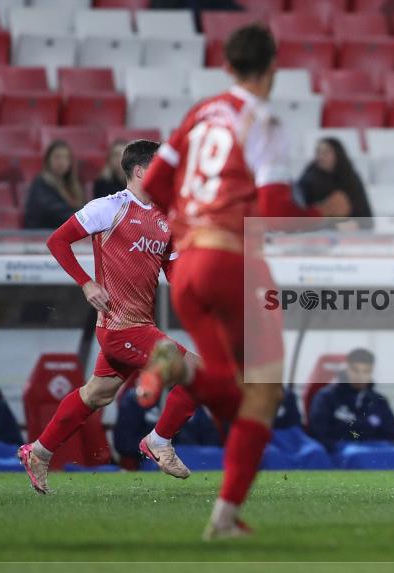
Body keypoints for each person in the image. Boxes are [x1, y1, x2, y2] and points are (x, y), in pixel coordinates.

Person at [136, 24, 350, 540]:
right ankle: (222, 512)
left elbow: (155, 183)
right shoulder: (265, 123)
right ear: (273, 65)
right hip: (233, 263)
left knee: (235, 394)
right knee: (264, 392)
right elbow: (274, 212)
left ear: (227, 66)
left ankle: (224, 520)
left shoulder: (199, 114)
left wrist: (191, 222)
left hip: (187, 265)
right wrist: (325, 214)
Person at [17, 140, 202, 493]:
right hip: (120, 327)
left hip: (139, 325)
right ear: (141, 171)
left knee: (98, 394)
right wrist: (86, 283)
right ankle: (159, 441)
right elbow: (57, 241)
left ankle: (38, 452)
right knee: (197, 373)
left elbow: (173, 270)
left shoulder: (166, 217)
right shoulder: (109, 207)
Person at [308, 349, 394, 453]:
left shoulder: (379, 401)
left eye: (366, 371)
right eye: (355, 370)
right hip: (341, 452)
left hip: (375, 451)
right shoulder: (326, 398)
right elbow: (320, 436)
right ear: (347, 369)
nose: (360, 376)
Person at [114, 386, 221, 469]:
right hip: (151, 463)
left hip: (194, 459)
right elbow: (124, 443)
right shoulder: (137, 398)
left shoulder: (189, 397)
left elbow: (210, 437)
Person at [297, 138, 373, 231]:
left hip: (347, 234)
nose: (321, 156)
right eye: (318, 152)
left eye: (326, 152)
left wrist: (356, 224)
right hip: (315, 232)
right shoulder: (309, 177)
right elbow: (299, 216)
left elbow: (366, 218)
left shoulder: (350, 177)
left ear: (338, 154)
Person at [23, 140, 86, 229]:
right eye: (57, 157)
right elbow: (52, 212)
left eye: (66, 158)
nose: (62, 162)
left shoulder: (73, 186)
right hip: (42, 233)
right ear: (48, 160)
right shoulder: (40, 183)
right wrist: (80, 216)